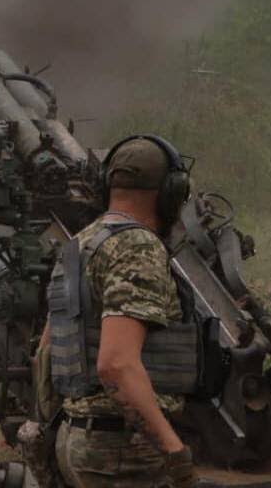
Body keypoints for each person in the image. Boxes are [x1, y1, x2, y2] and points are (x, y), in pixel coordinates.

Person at [45, 135, 195, 488]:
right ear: (171, 192)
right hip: (123, 450)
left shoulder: (78, 244)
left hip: (78, 439)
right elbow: (115, 364)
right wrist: (173, 449)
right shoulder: (136, 246)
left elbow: (47, 348)